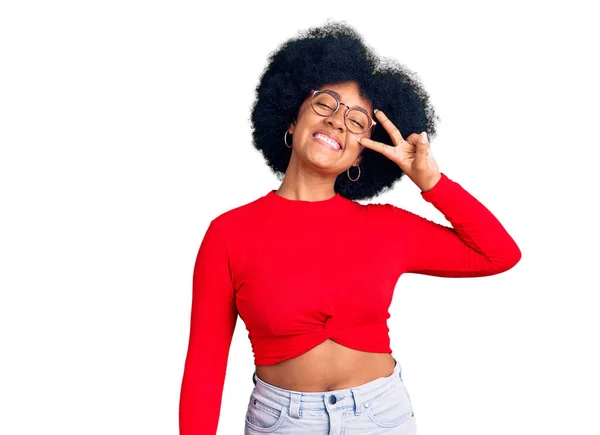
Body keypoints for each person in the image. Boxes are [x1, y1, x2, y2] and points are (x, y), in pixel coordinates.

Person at [179, 21, 521, 435]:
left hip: (382, 417)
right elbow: (205, 364)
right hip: (281, 423)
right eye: (326, 103)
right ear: (292, 118)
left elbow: (499, 254)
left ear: (361, 156)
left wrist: (431, 181)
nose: (339, 122)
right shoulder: (228, 233)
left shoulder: (388, 227)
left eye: (358, 121)